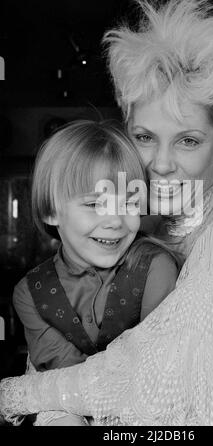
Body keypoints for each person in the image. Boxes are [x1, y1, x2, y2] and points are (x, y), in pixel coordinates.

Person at [0, 0, 213, 426]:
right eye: (144, 137)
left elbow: (153, 382)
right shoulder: (147, 228)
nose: (159, 163)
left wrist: (13, 394)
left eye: (188, 140)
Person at [6, 119, 180, 426]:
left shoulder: (155, 267)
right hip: (69, 402)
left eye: (128, 203)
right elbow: (63, 379)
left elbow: (157, 375)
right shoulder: (30, 292)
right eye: (95, 204)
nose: (115, 220)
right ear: (51, 210)